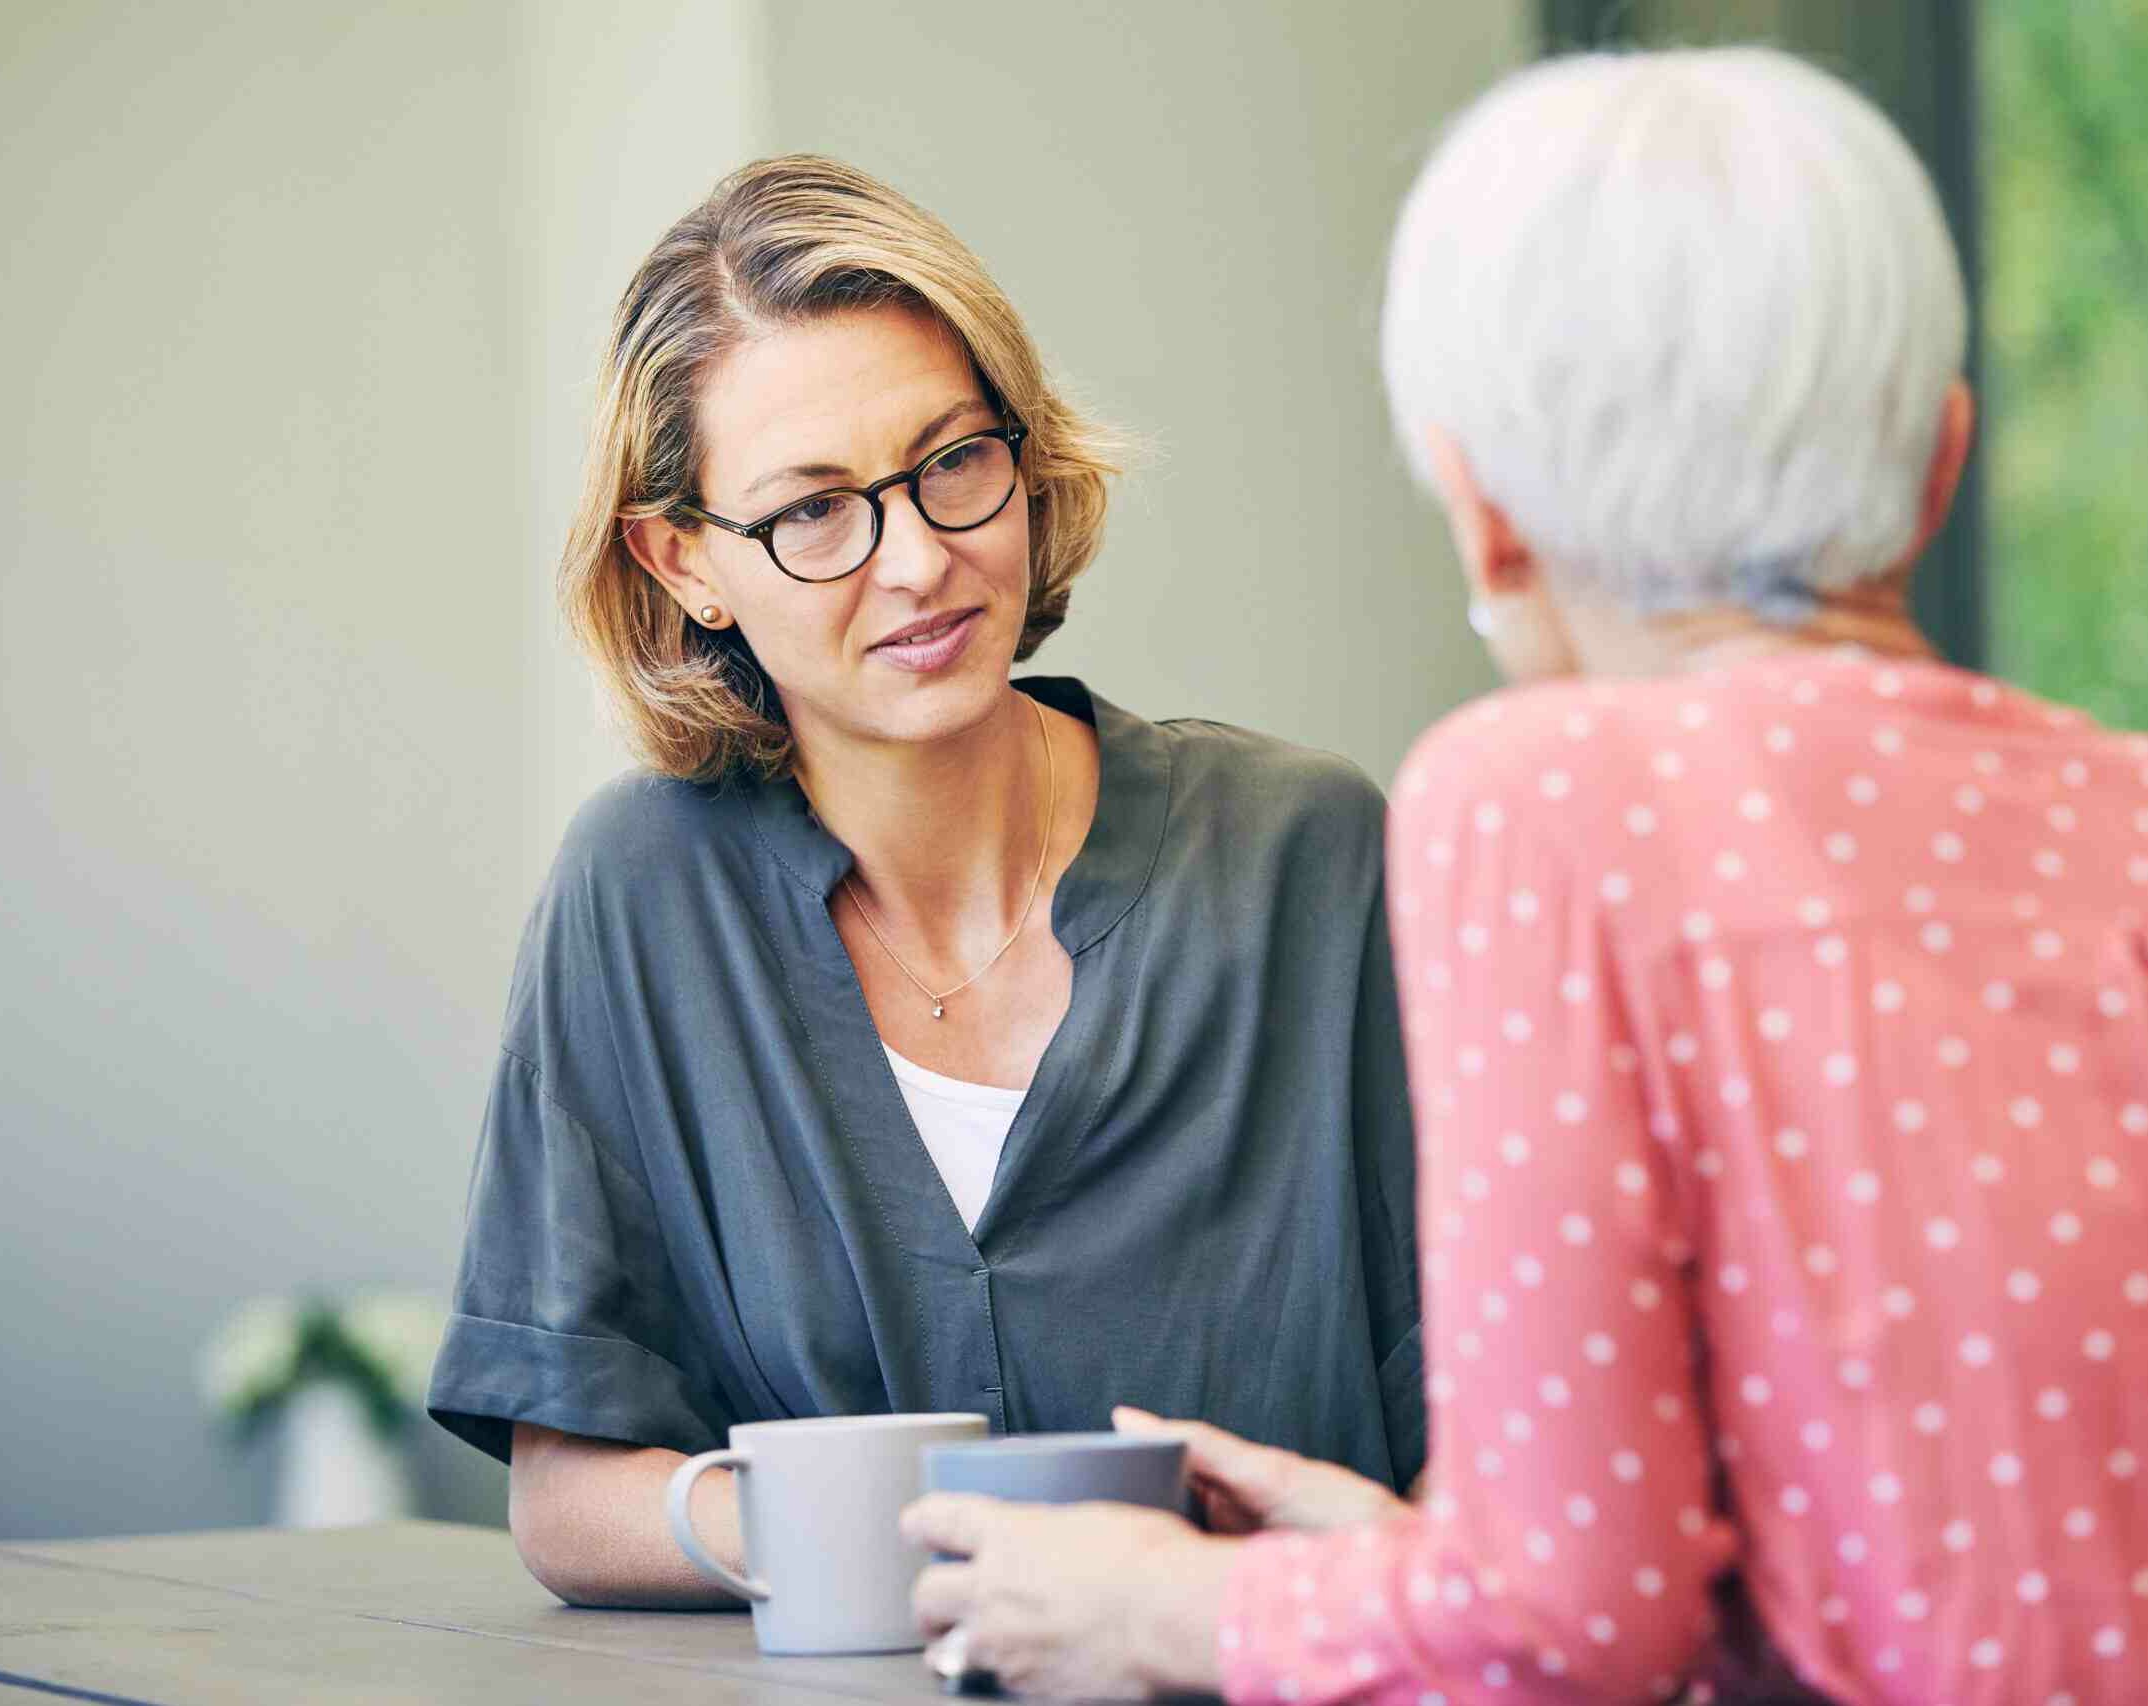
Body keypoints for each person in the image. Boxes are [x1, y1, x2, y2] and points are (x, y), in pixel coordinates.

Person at [904, 46, 2148, 1704]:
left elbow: (1568, 1624)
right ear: (1940, 463)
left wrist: (1158, 1608)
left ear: (1480, 515)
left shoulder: (1544, 794)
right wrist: (1400, 1559)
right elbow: (1948, 1543)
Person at [424, 156, 1424, 1608]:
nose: (917, 562)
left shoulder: (1306, 857)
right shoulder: (639, 897)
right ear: (685, 560)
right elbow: (568, 1498)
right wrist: (914, 1537)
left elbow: (1495, 1444)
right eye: (813, 512)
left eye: (951, 461)